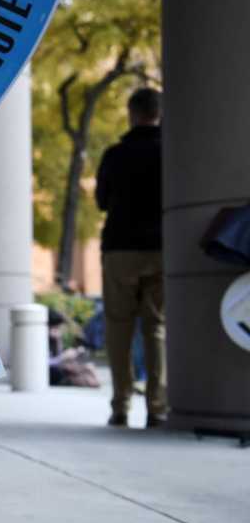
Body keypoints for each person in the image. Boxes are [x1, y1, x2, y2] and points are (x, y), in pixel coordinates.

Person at [95, 87, 167, 428]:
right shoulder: (171, 152)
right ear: (159, 113)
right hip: (161, 248)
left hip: (120, 247)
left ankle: (120, 407)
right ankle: (157, 407)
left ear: (132, 113)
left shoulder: (115, 155)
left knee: (119, 329)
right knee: (156, 328)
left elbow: (102, 201)